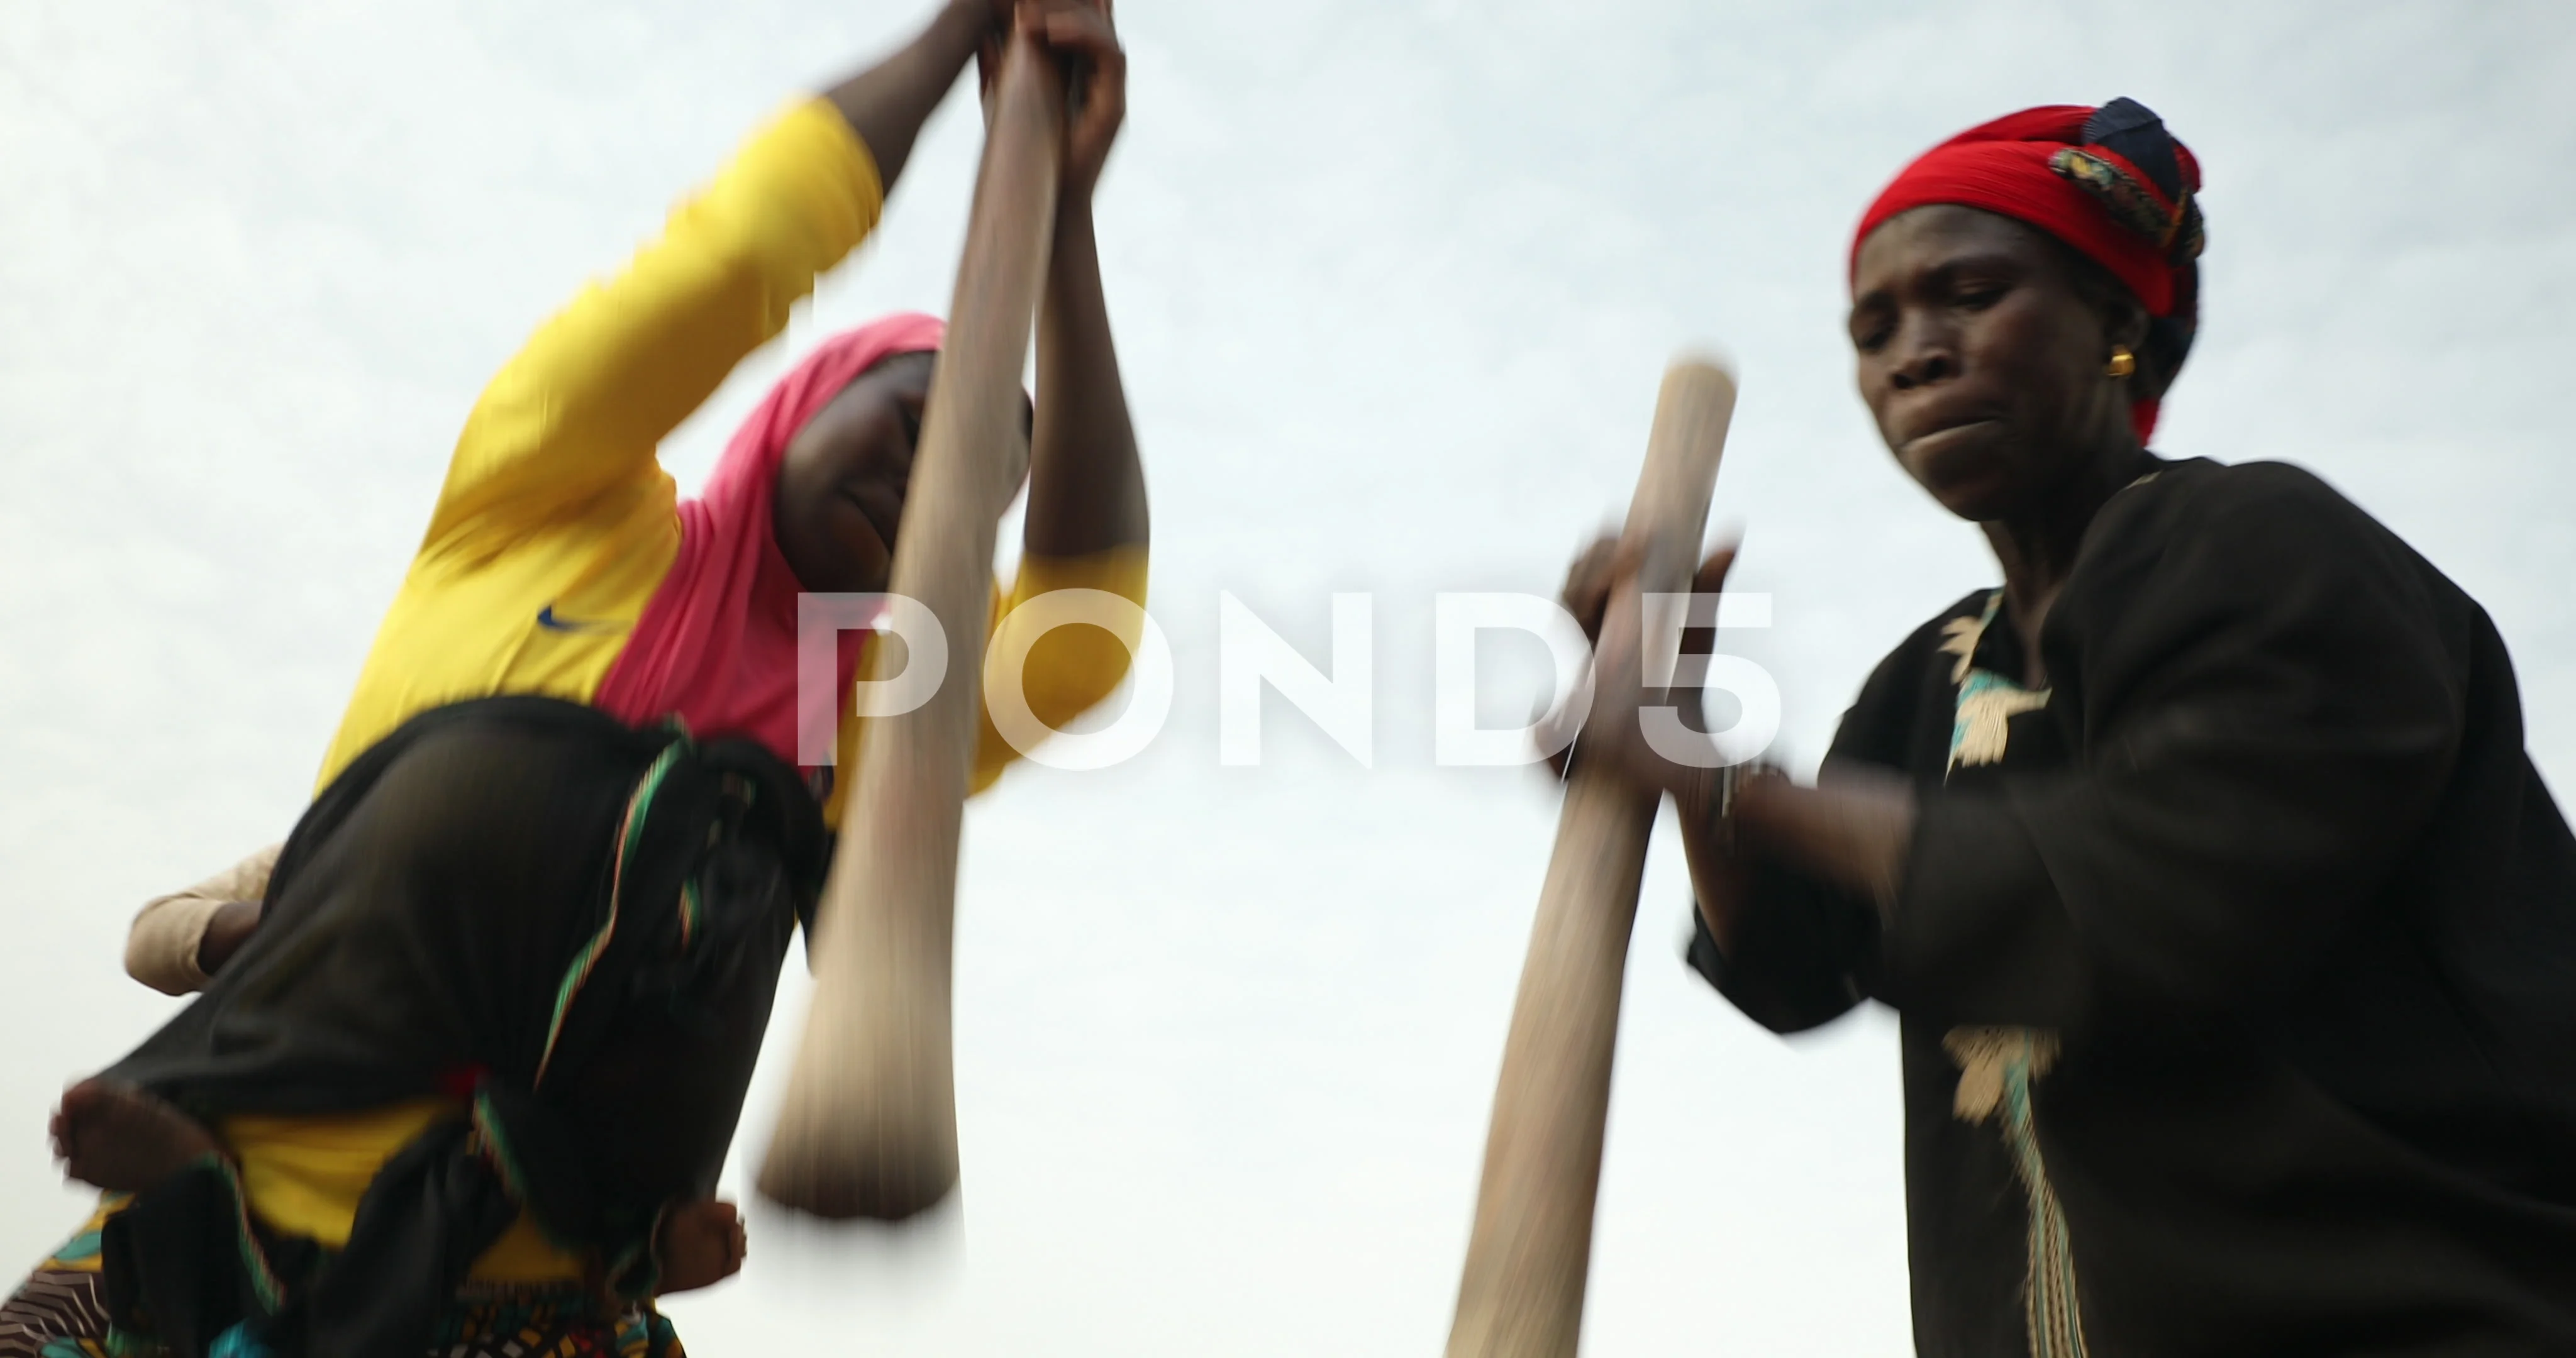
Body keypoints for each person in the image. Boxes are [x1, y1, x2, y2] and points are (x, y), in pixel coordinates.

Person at [7, 0, 1146, 1354]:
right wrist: (963, 29)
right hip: (221, 1255)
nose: (930, 482)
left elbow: (1080, 635)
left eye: (973, 494)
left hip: (540, 1314)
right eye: (909, 423)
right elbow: (738, 255)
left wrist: (1065, 221)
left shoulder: (883, 731)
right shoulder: (543, 500)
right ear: (803, 402)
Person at [1563, 99, 2576, 1354]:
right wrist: (1673, 726)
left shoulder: (2264, 550)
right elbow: (1785, 955)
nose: (1911, 355)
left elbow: (2164, 884)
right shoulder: (1928, 678)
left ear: (2114, 319)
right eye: (1871, 331)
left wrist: (1720, 784)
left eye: (1969, 293)